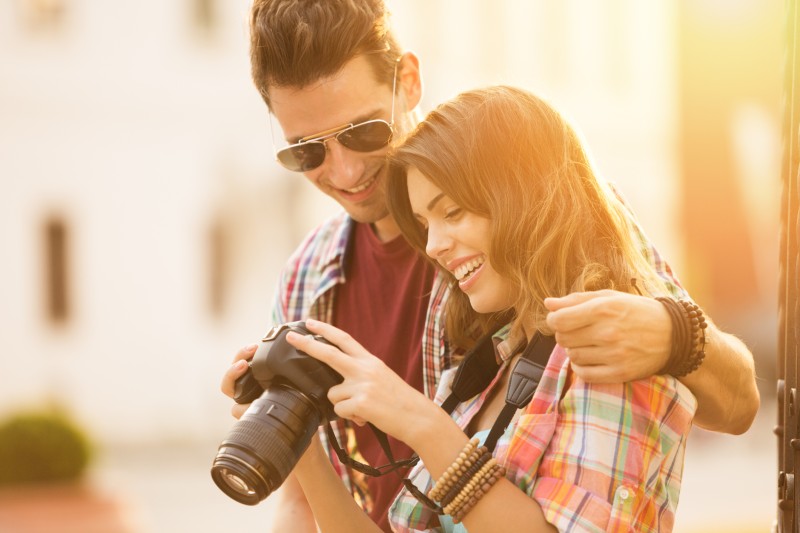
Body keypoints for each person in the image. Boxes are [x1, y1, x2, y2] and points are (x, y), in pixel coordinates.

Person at [220, 1, 760, 531]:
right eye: (306, 151)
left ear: (407, 80)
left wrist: (670, 332)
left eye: (363, 132)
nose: (344, 170)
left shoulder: (538, 225)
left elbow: (737, 404)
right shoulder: (305, 280)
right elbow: (301, 505)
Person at [281, 85, 700, 532]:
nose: (433, 246)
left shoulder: (609, 354)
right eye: (425, 224)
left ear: (525, 198)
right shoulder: (491, 362)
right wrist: (300, 446)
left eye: (454, 213)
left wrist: (420, 423)